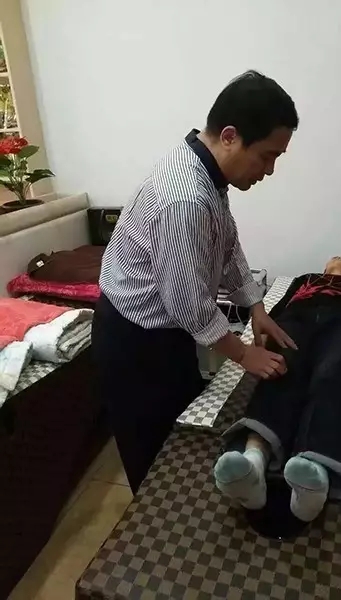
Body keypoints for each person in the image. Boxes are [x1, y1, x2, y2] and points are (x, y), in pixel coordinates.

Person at [92, 71, 299, 495]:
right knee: (155, 461)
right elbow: (189, 304)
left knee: (183, 442)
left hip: (164, 335)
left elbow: (228, 246)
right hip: (135, 342)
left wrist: (256, 307)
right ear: (230, 136)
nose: (270, 170)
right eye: (266, 156)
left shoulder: (205, 171)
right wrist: (244, 354)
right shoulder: (185, 197)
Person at [214, 256, 341, 525]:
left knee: (331, 378)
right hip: (296, 322)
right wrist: (264, 334)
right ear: (324, 269)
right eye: (337, 256)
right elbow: (280, 306)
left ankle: (314, 471)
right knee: (280, 373)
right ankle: (253, 462)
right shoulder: (306, 279)